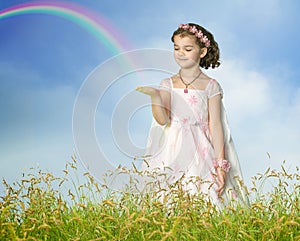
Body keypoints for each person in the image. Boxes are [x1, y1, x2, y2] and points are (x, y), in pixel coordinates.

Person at [136, 23, 248, 206]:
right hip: (172, 148)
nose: (180, 53)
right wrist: (155, 96)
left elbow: (216, 125)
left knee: (205, 192)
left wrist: (220, 163)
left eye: (187, 49)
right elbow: (162, 119)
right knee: (169, 195)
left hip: (201, 149)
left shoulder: (211, 86)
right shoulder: (168, 84)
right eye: (176, 48)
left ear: (202, 52)